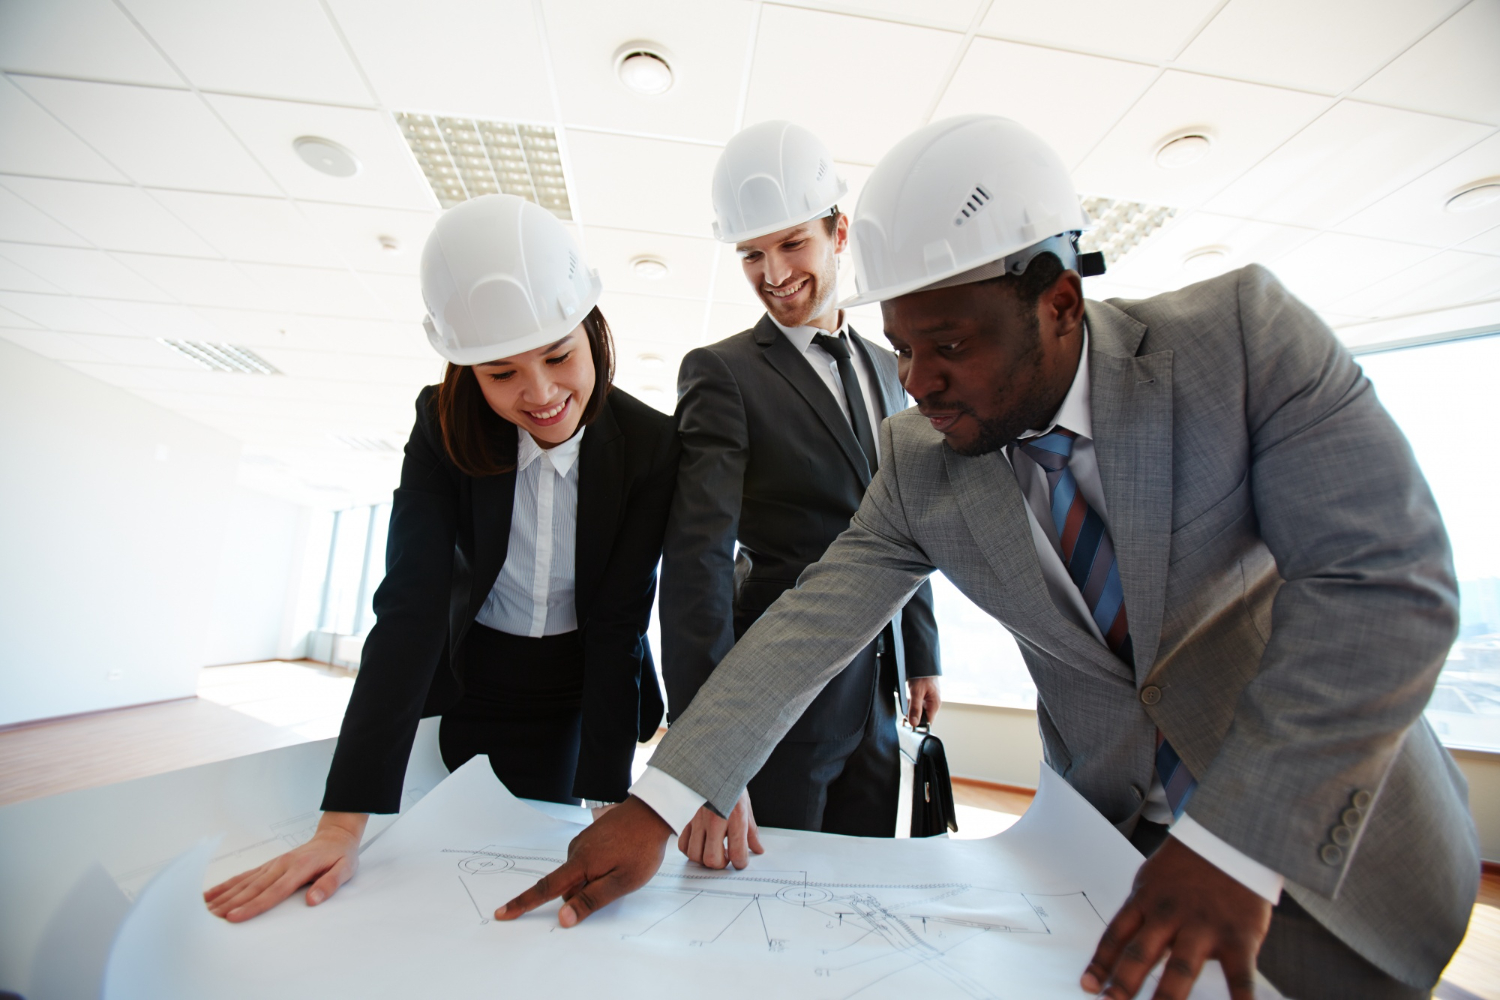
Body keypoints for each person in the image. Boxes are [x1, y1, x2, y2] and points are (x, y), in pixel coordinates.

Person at [495, 117, 1480, 999]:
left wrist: (1230, 845)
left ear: (1057, 301)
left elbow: (1384, 587)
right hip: (1115, 866)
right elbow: (804, 626)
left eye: (951, 344)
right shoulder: (919, 459)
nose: (916, 382)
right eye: (902, 347)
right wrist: (661, 797)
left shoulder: (1238, 344)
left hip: (1342, 844)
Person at [204, 194, 679, 923]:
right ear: (467, 371)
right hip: (474, 672)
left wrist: (610, 798)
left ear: (593, 331)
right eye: (502, 374)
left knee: (546, 850)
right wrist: (343, 821)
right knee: (448, 858)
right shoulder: (442, 424)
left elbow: (620, 624)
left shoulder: (651, 445)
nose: (542, 393)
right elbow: (412, 606)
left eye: (558, 357)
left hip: (580, 681)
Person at [657, 120, 941, 866]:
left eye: (792, 244)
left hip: (877, 696)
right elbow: (698, 563)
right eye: (751, 254)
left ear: (838, 231)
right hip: (776, 698)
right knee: (770, 902)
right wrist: (704, 753)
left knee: (861, 885)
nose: (773, 272)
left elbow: (913, 516)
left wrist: (922, 654)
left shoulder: (891, 367)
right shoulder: (721, 373)